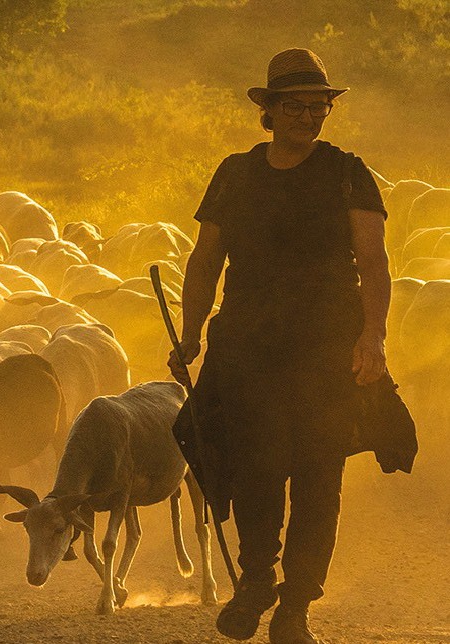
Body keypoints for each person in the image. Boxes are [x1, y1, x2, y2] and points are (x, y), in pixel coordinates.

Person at [168, 48, 390, 644]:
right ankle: (257, 577)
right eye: (296, 105)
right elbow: (205, 260)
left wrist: (373, 335)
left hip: (325, 352)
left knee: (319, 479)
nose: (309, 116)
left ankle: (296, 608)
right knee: (253, 468)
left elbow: (372, 262)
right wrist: (190, 336)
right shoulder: (235, 175)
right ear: (268, 109)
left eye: (319, 106)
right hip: (247, 351)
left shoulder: (348, 173)